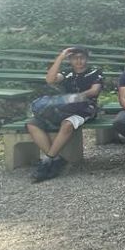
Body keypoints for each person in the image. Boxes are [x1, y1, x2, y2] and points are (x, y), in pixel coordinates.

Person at [25, 46, 104, 182]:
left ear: (86, 58)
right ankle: (56, 159)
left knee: (67, 124)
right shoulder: (67, 73)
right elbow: (50, 80)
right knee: (32, 124)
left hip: (85, 109)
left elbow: (94, 91)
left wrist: (73, 98)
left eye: (81, 58)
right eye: (74, 58)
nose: (78, 61)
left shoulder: (95, 72)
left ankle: (47, 162)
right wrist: (60, 58)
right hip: (62, 109)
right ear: (70, 60)